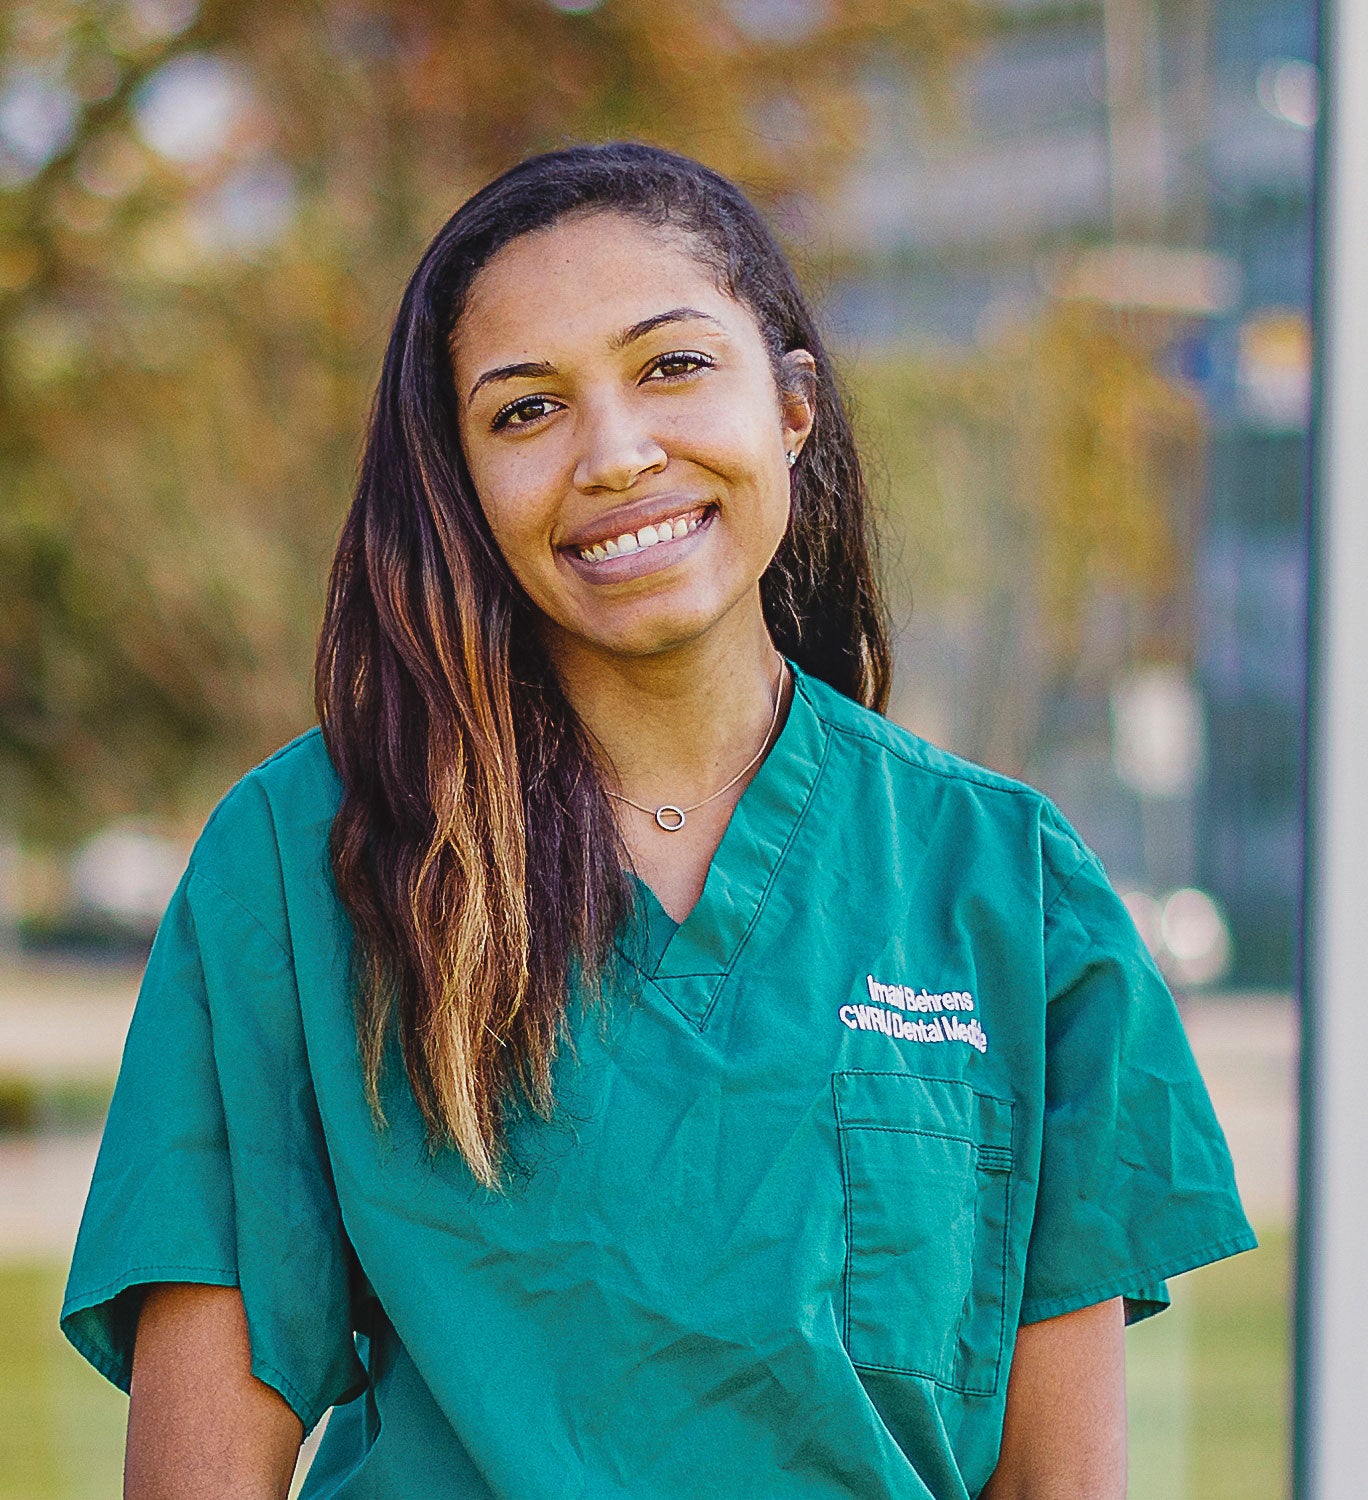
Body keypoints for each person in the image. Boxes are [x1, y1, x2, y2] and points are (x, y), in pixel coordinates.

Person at [61, 141, 1254, 1499]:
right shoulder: (295, 863)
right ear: (462, 479)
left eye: (673, 366)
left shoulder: (1013, 892)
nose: (616, 456)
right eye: (525, 412)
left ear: (792, 406)